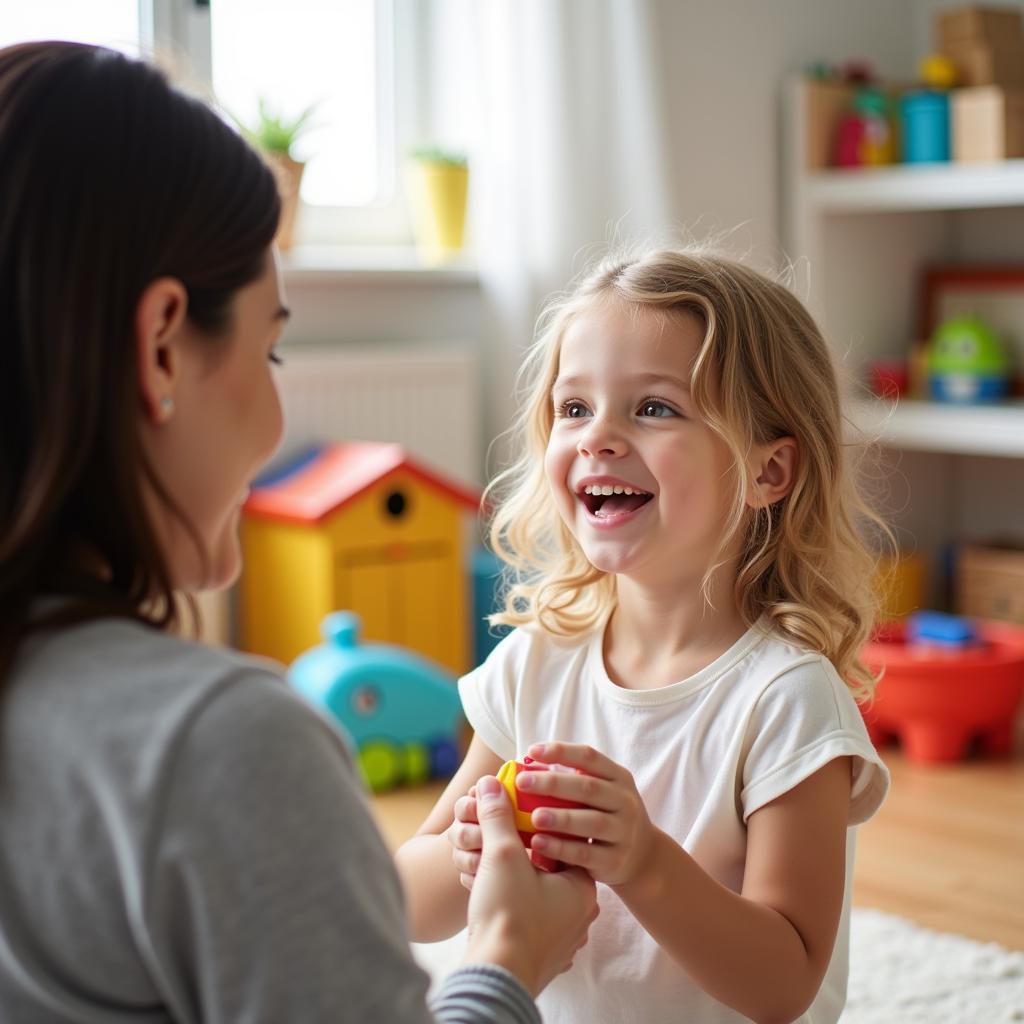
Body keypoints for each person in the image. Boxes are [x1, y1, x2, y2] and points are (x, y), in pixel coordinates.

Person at [0, 40, 599, 1023]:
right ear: (160, 348)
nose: (278, 420)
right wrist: (505, 957)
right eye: (270, 350)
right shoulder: (220, 746)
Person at [396, 247, 893, 1024]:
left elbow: (787, 981)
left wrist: (645, 861)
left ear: (769, 472)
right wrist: (468, 858)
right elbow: (412, 906)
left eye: (654, 408)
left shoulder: (787, 700)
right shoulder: (536, 663)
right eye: (574, 408)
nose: (598, 437)